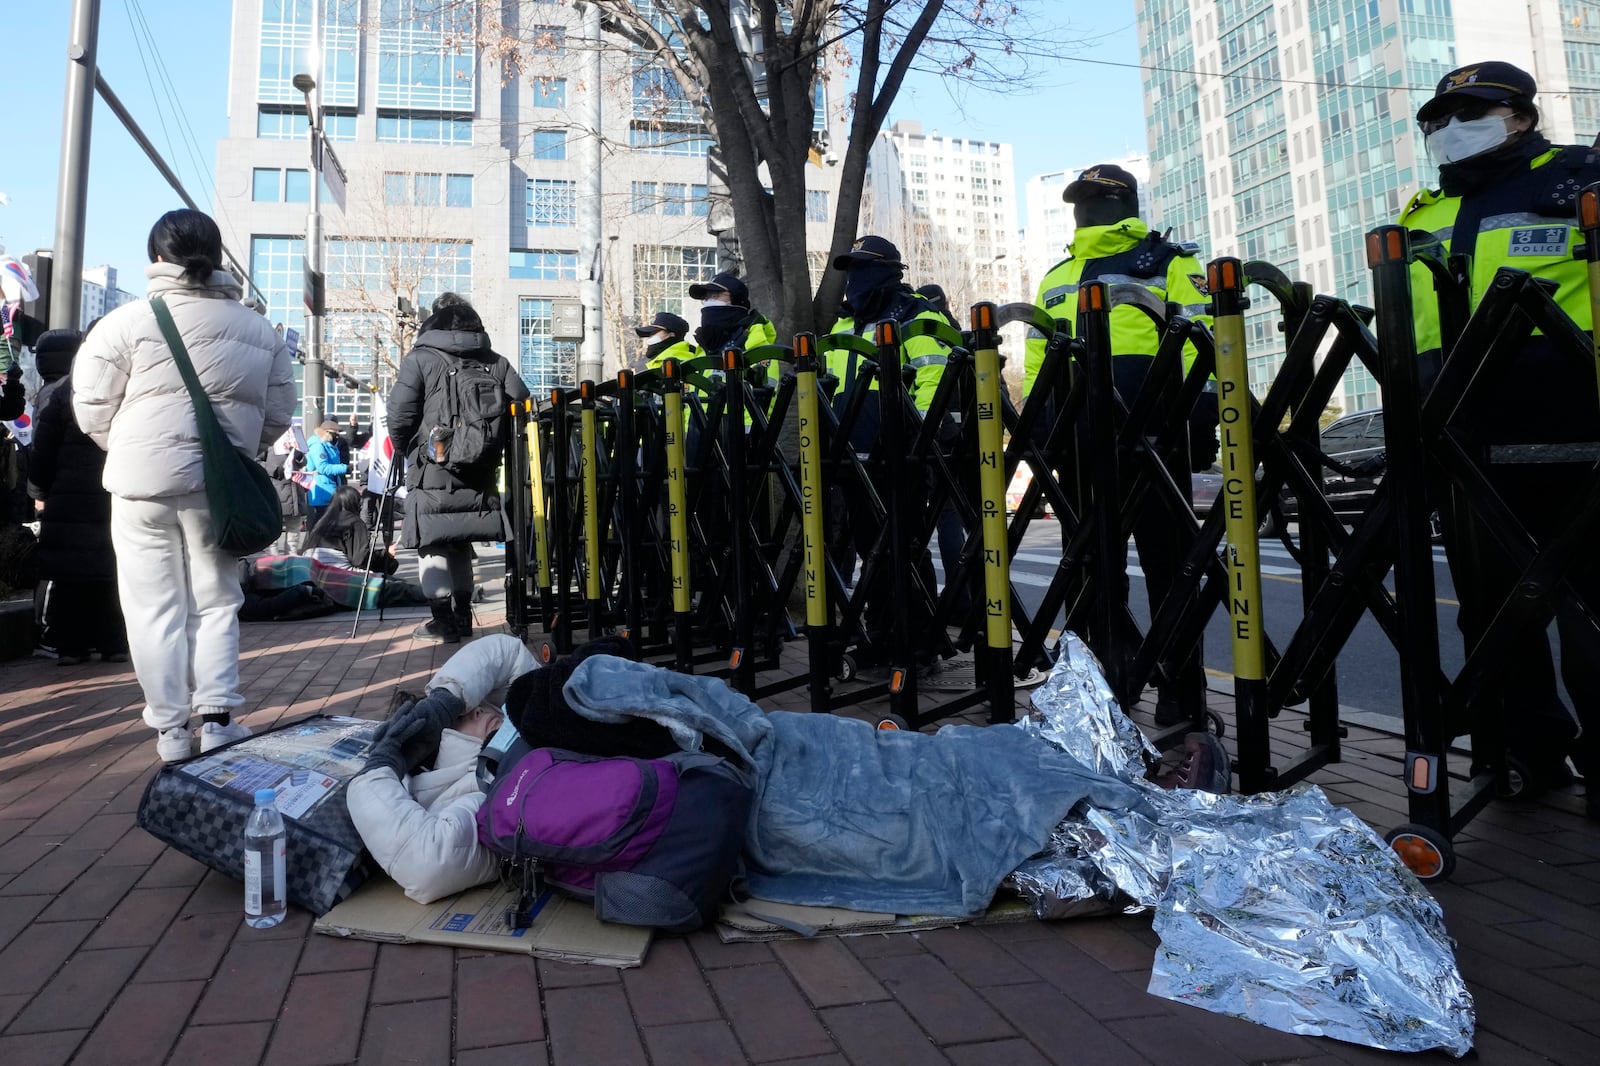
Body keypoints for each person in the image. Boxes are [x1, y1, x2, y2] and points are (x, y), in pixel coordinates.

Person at [1399, 61, 1600, 809]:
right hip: (1463, 441)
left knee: (1588, 608)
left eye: (1471, 111)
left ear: (1520, 116)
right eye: (1438, 118)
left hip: (1574, 432)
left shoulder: (1577, 179)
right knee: (1494, 610)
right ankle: (1529, 753)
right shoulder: (1422, 213)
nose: (1448, 129)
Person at [72, 208, 297, 762]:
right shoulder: (259, 329)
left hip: (139, 485)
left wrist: (126, 447)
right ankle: (218, 719)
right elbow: (277, 414)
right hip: (217, 489)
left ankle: (171, 731)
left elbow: (90, 408)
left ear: (157, 259)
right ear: (217, 258)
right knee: (217, 601)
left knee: (152, 607)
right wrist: (237, 450)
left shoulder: (123, 323)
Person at [1024, 164, 1219, 726]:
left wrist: (1202, 414)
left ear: (1127, 202)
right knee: (1088, 568)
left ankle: (1181, 690)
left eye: (1098, 198)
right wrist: (1041, 427)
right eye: (1082, 199)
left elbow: (1201, 341)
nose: (1088, 209)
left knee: (1171, 567)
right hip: (1081, 444)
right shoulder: (1057, 275)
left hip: (1156, 441)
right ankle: (1100, 683)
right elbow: (1042, 357)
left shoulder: (1172, 263)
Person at [827, 236, 959, 656]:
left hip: (898, 455)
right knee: (871, 548)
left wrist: (918, 435)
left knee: (906, 546)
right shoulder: (842, 325)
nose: (854, 279)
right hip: (854, 457)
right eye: (850, 269)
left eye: (864, 268)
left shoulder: (913, 314)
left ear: (889, 270)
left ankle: (919, 635)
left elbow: (934, 375)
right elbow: (831, 391)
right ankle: (881, 632)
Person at [387, 292, 530, 643]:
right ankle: (464, 617)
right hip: (479, 466)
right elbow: (523, 404)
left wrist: (412, 451)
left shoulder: (420, 358)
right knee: (462, 543)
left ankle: (443, 623)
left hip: (432, 465)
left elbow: (400, 415)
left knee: (433, 544)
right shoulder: (495, 361)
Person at [26, 327, 129, 665]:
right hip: (114, 494)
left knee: (70, 577)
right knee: (112, 572)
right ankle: (113, 642)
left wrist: (40, 490)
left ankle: (71, 646)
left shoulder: (65, 391)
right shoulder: (128, 388)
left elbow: (42, 450)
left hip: (66, 498)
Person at [300, 483, 398, 575]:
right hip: (337, 572)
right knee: (391, 572)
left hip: (311, 570)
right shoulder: (355, 522)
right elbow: (360, 559)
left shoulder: (323, 520)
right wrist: (386, 555)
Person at [304, 419, 348, 527]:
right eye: (335, 433)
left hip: (329, 487)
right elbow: (322, 467)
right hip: (321, 489)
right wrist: (345, 468)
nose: (337, 436)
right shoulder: (318, 446)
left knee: (326, 526)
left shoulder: (329, 446)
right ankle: (313, 544)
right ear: (326, 432)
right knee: (319, 525)